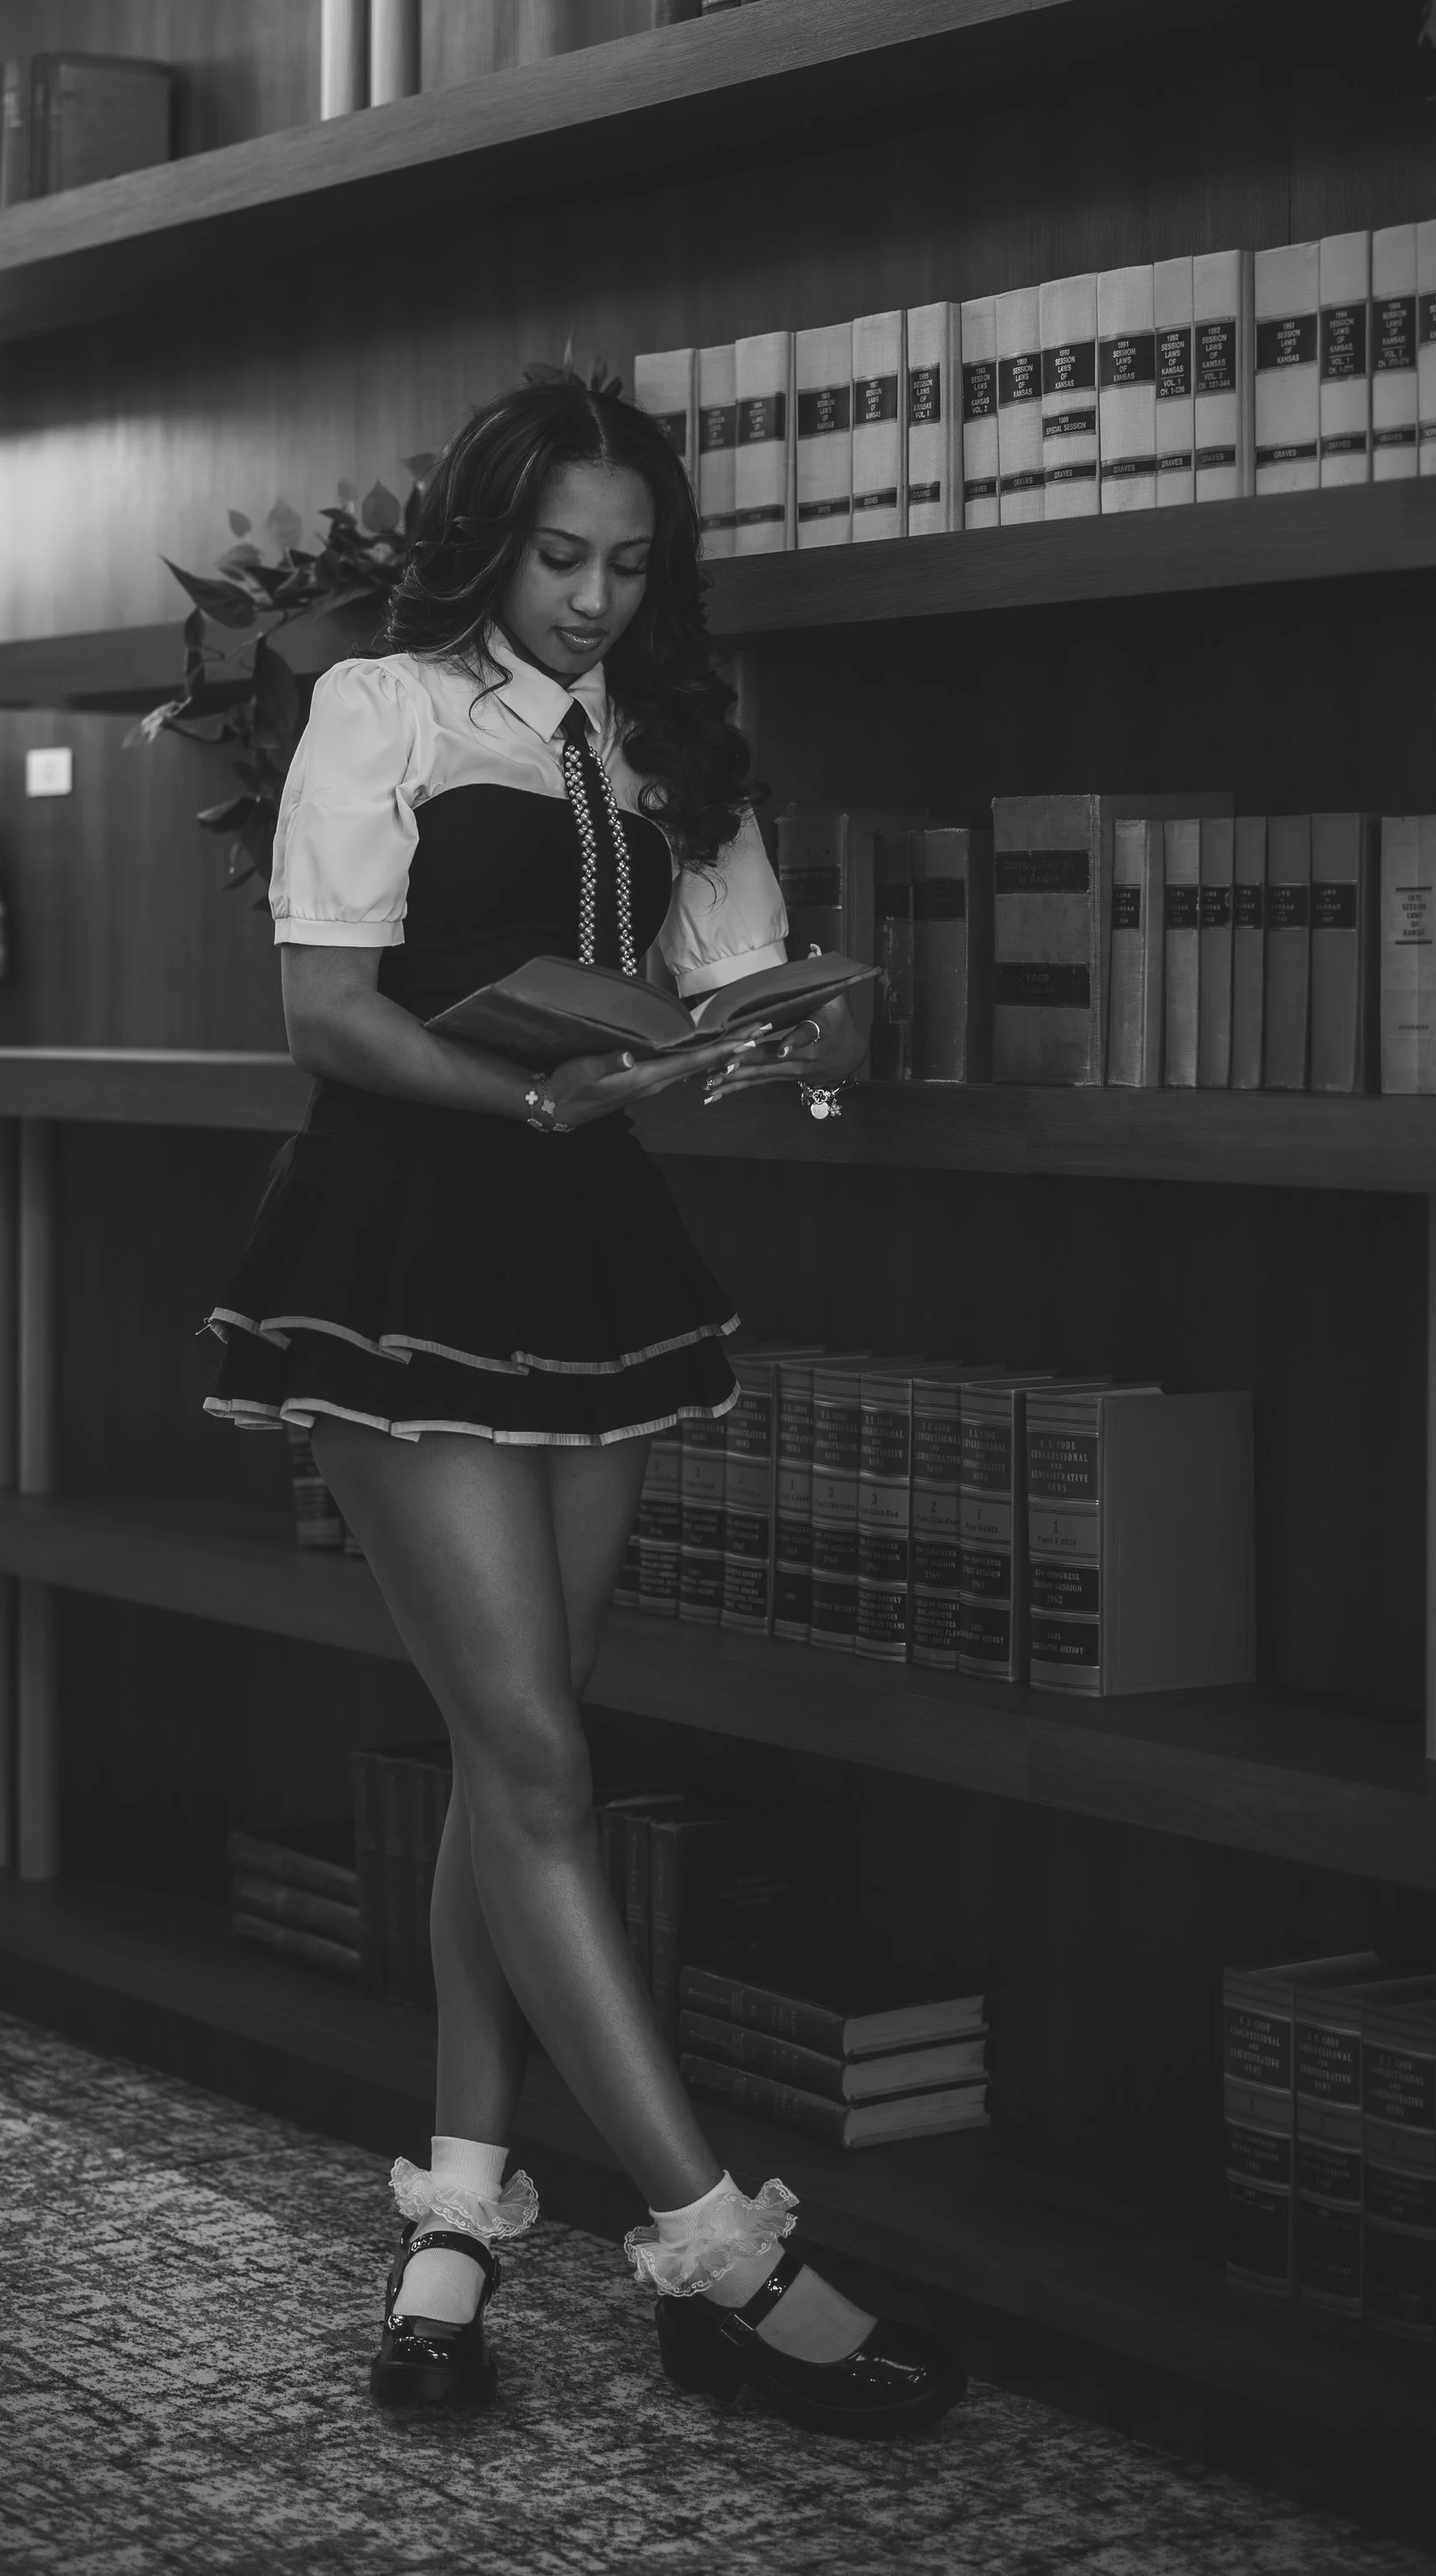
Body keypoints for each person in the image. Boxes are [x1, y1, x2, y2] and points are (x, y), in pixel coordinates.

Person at [203, 372, 965, 2437]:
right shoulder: (378, 706)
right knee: (536, 1759)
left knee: (500, 1750)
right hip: (398, 1252)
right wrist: (530, 1088)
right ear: (490, 539)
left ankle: (454, 2218)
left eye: (631, 566)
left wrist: (754, 1046)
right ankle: (719, 2254)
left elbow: (727, 994)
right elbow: (323, 1011)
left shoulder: (672, 742)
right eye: (560, 559)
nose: (593, 601)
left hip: (593, 1266)